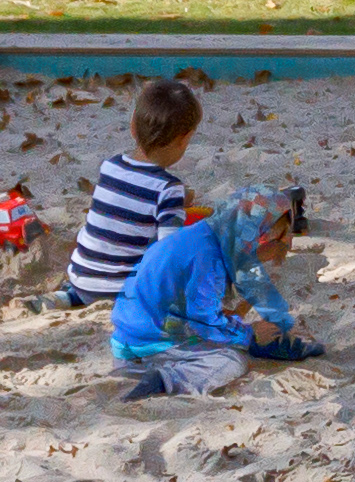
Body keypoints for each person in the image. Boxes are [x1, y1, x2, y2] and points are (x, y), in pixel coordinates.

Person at [111, 182, 312, 396]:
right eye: (277, 239)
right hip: (149, 347)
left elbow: (191, 307)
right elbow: (204, 322)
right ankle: (164, 380)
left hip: (127, 342)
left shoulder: (199, 236)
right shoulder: (209, 260)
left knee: (229, 340)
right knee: (232, 361)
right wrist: (251, 334)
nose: (285, 247)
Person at [59, 76, 201, 311]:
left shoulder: (110, 166)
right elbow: (169, 253)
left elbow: (132, 202)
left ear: (133, 125)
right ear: (184, 139)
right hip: (123, 291)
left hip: (81, 277)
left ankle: (69, 297)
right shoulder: (169, 189)